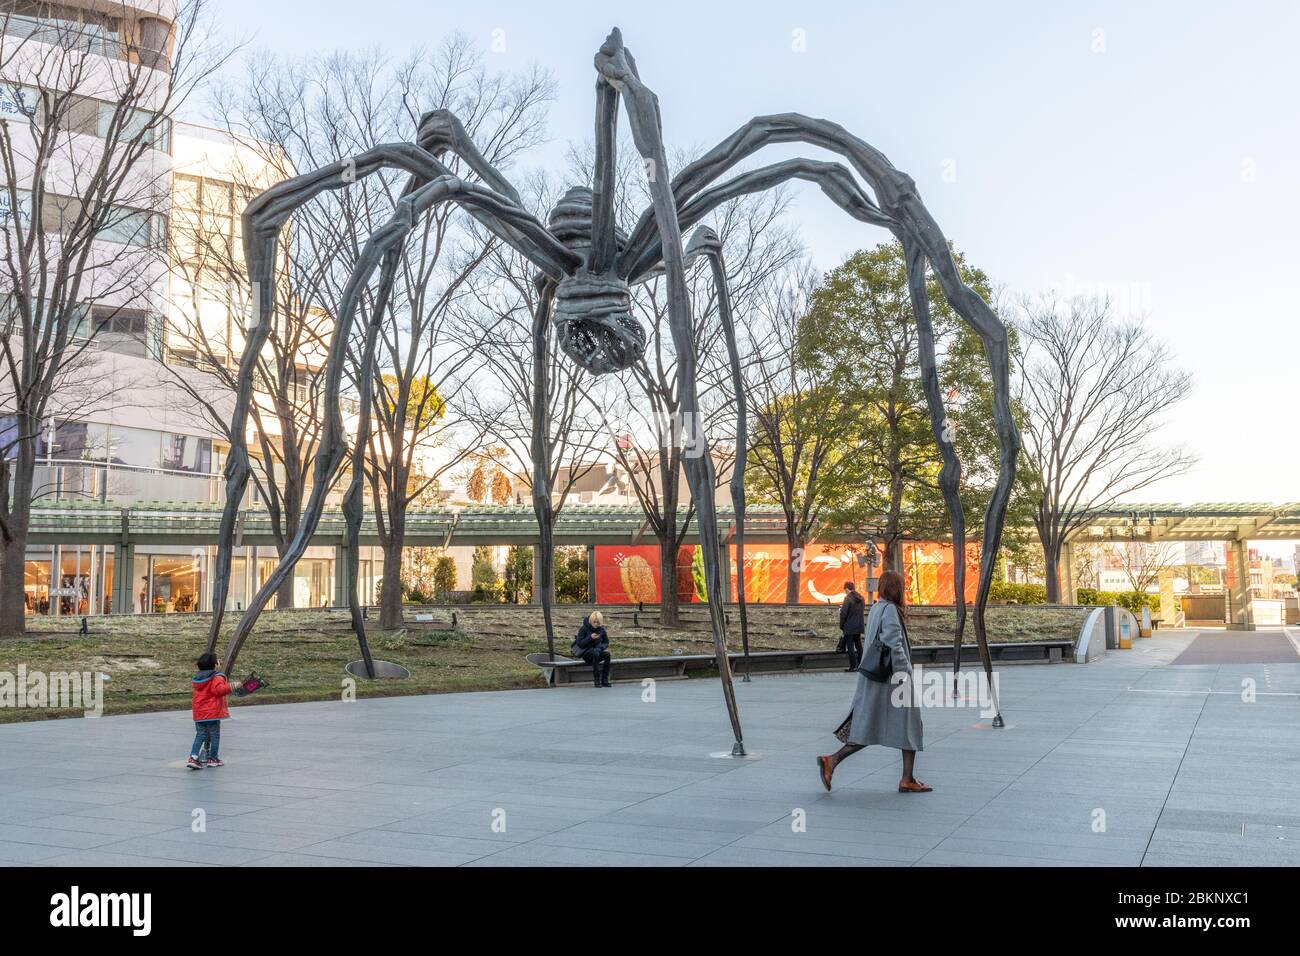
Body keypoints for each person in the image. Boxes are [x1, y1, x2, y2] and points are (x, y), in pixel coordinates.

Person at [817, 569, 930, 793]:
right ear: (896, 588)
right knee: (909, 723)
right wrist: (905, 672)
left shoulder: (878, 607)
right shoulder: (890, 610)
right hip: (892, 681)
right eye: (902, 585)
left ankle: (834, 762)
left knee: (872, 724)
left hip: (877, 678)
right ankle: (905, 779)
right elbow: (893, 644)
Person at [187, 653, 240, 770]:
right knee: (214, 735)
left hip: (199, 712)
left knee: (200, 734)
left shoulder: (198, 678)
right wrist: (233, 685)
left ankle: (193, 757)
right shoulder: (216, 677)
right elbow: (219, 690)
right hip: (212, 713)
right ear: (215, 665)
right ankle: (213, 758)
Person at [573, 610, 612, 688]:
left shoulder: (601, 629)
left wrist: (600, 647)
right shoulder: (584, 628)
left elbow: (606, 642)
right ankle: (597, 680)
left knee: (607, 655)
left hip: (598, 651)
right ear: (591, 621)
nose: (596, 624)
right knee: (595, 653)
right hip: (586, 653)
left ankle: (605, 680)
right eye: (594, 622)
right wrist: (590, 638)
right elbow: (580, 643)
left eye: (598, 622)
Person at [837, 581, 866, 671]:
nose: (845, 592)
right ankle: (860, 665)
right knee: (859, 646)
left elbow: (843, 614)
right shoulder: (861, 598)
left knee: (850, 647)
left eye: (845, 590)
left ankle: (853, 666)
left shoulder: (848, 599)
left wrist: (841, 625)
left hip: (849, 627)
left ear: (847, 589)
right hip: (858, 626)